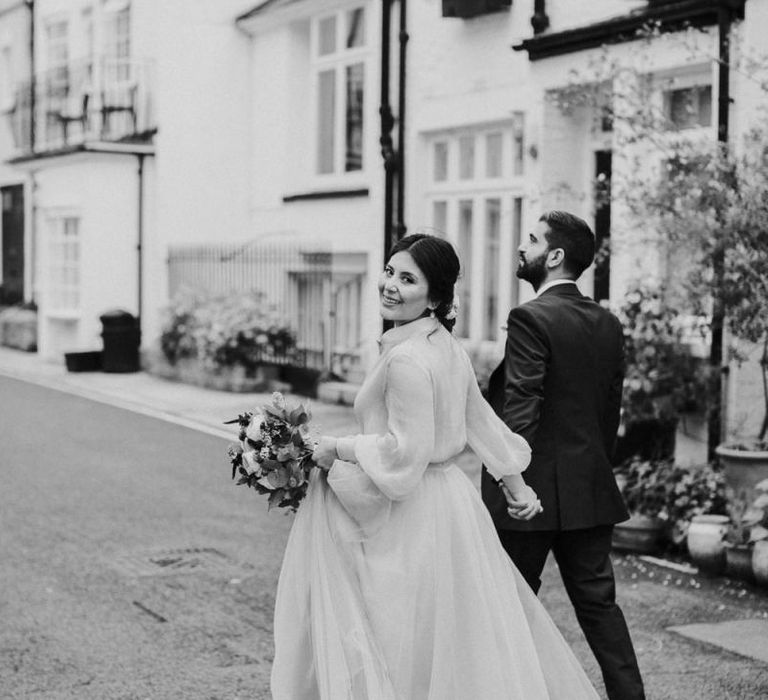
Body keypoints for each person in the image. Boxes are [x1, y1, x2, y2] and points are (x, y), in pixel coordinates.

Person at [270, 233, 601, 700]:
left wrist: (334, 447)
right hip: (450, 503)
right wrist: (515, 483)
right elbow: (480, 421)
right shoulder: (444, 345)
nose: (390, 285)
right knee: (449, 639)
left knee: (396, 633)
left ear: (437, 297)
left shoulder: (407, 358)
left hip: (410, 513)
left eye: (407, 279)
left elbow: (404, 453)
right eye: (389, 272)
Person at [481, 210, 646, 700]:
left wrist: (512, 481)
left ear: (553, 256)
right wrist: (591, 470)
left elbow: (522, 407)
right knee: (600, 609)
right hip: (589, 490)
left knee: (508, 607)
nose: (520, 247)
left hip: (527, 495)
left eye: (530, 240)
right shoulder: (607, 322)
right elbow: (607, 414)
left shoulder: (530, 316)